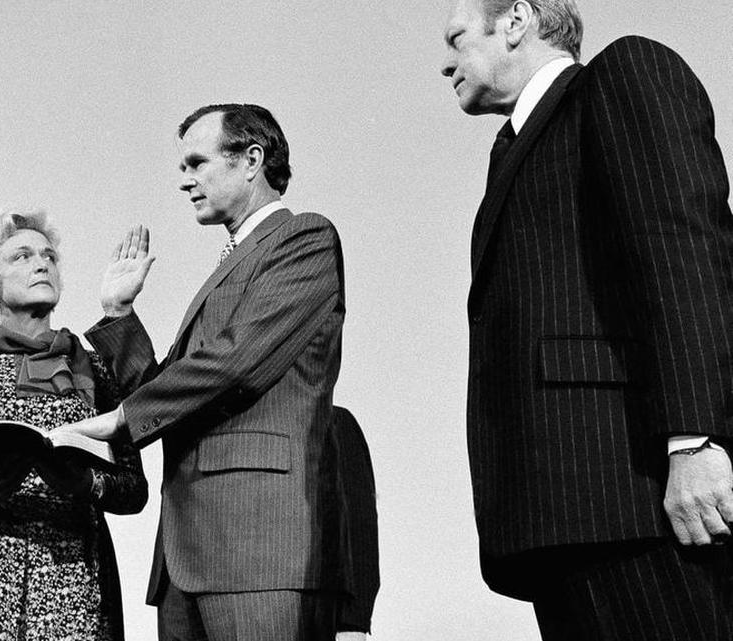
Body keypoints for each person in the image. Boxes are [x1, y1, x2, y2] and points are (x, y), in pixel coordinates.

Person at [441, 0, 733, 638]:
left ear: (516, 21)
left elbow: (684, 253)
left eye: (458, 39)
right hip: (560, 516)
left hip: (634, 500)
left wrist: (695, 440)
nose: (446, 63)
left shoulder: (620, 77)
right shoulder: (512, 149)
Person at [60, 104, 377, 640]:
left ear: (251, 160)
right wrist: (118, 314)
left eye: (197, 163)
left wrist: (120, 419)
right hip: (187, 560)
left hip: (259, 552)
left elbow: (233, 365)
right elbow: (174, 397)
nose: (184, 181)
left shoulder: (304, 238)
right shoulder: (232, 262)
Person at [0, 207, 148, 641]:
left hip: (72, 574)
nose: (42, 264)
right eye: (21, 256)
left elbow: (134, 489)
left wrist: (85, 484)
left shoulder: (95, 369)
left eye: (49, 256)